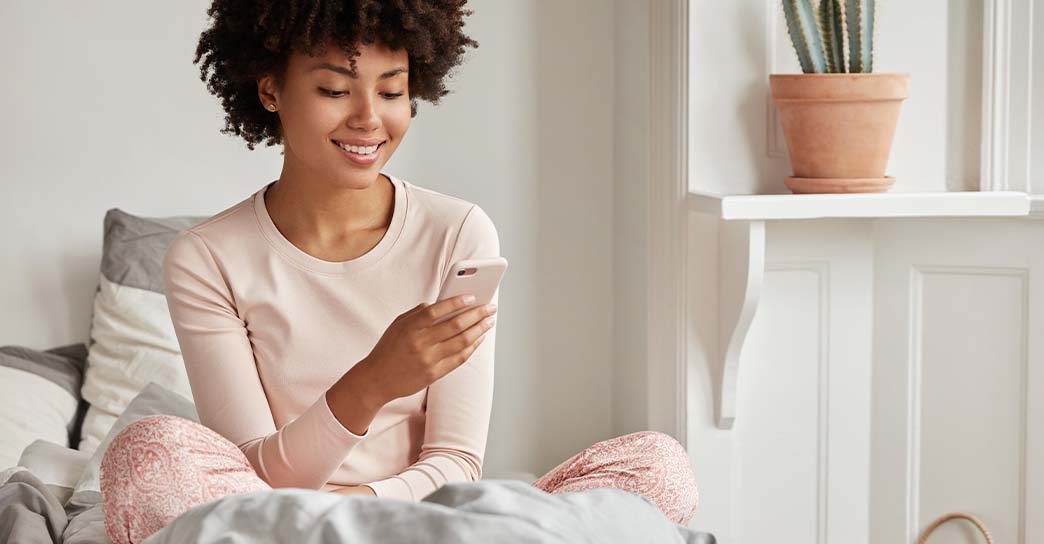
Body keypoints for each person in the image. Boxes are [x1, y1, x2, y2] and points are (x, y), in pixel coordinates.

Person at [97, 2, 698, 543]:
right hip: (275, 517)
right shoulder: (207, 256)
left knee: (657, 465)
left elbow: (457, 463)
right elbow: (253, 474)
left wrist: (361, 508)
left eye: (391, 92)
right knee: (149, 453)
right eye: (335, 90)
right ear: (271, 90)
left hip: (429, 516)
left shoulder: (457, 232)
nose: (369, 120)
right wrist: (376, 382)